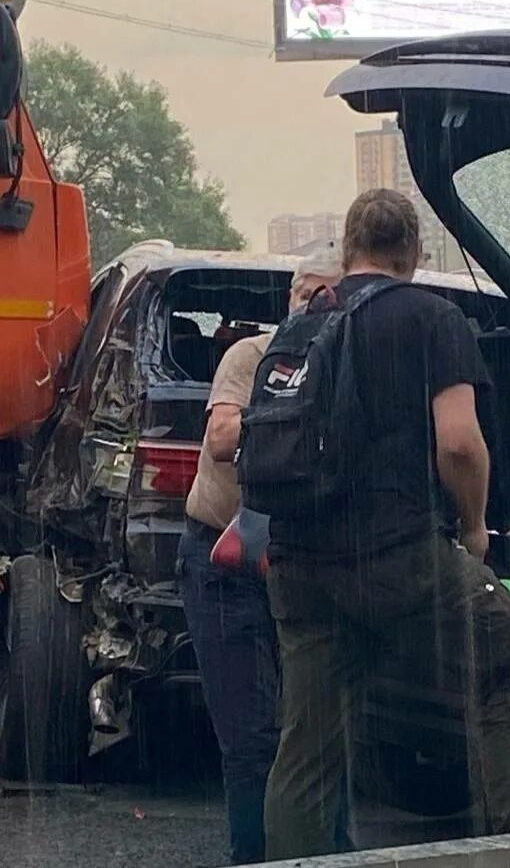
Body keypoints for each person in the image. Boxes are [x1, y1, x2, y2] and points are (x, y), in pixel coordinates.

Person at [261, 190, 510, 859]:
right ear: (414, 252)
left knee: (306, 745)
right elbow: (458, 442)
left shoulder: (303, 324)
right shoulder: (431, 317)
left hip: (297, 563)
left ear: (347, 249)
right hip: (397, 551)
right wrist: (475, 525)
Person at [176, 243, 344, 866]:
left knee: (322, 737)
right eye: (310, 295)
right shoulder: (250, 356)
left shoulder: (350, 366)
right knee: (250, 741)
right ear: (290, 298)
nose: (318, 308)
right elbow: (221, 438)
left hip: (303, 565)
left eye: (332, 297)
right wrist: (293, 408)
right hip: (224, 565)